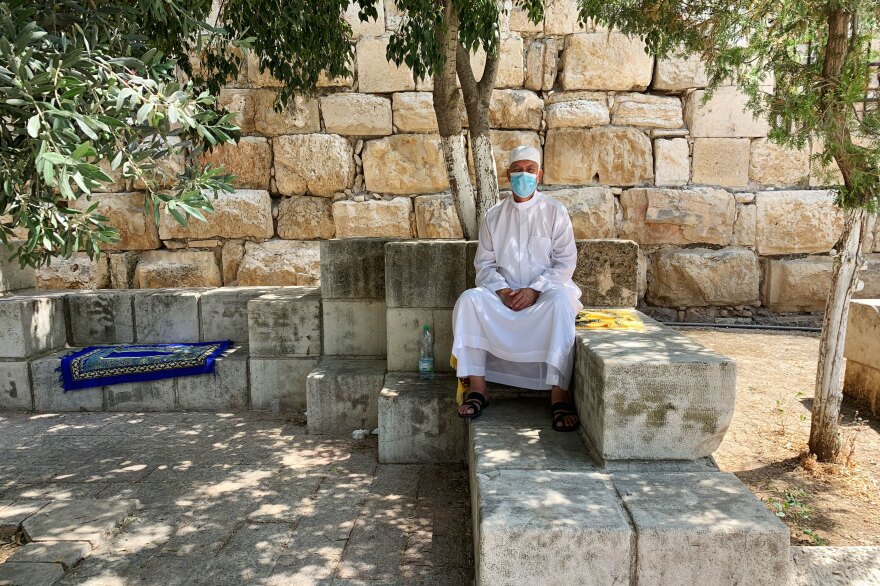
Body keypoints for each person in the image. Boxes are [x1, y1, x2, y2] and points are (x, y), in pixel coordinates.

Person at [451, 145, 582, 432]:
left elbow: (565, 263)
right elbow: (484, 266)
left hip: (545, 294)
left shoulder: (555, 211)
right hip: (505, 298)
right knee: (469, 300)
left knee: (561, 303)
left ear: (540, 175)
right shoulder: (493, 216)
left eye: (530, 170)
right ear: (508, 174)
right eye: (518, 170)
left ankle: (558, 393)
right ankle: (478, 388)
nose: (524, 175)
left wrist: (535, 290)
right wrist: (502, 292)